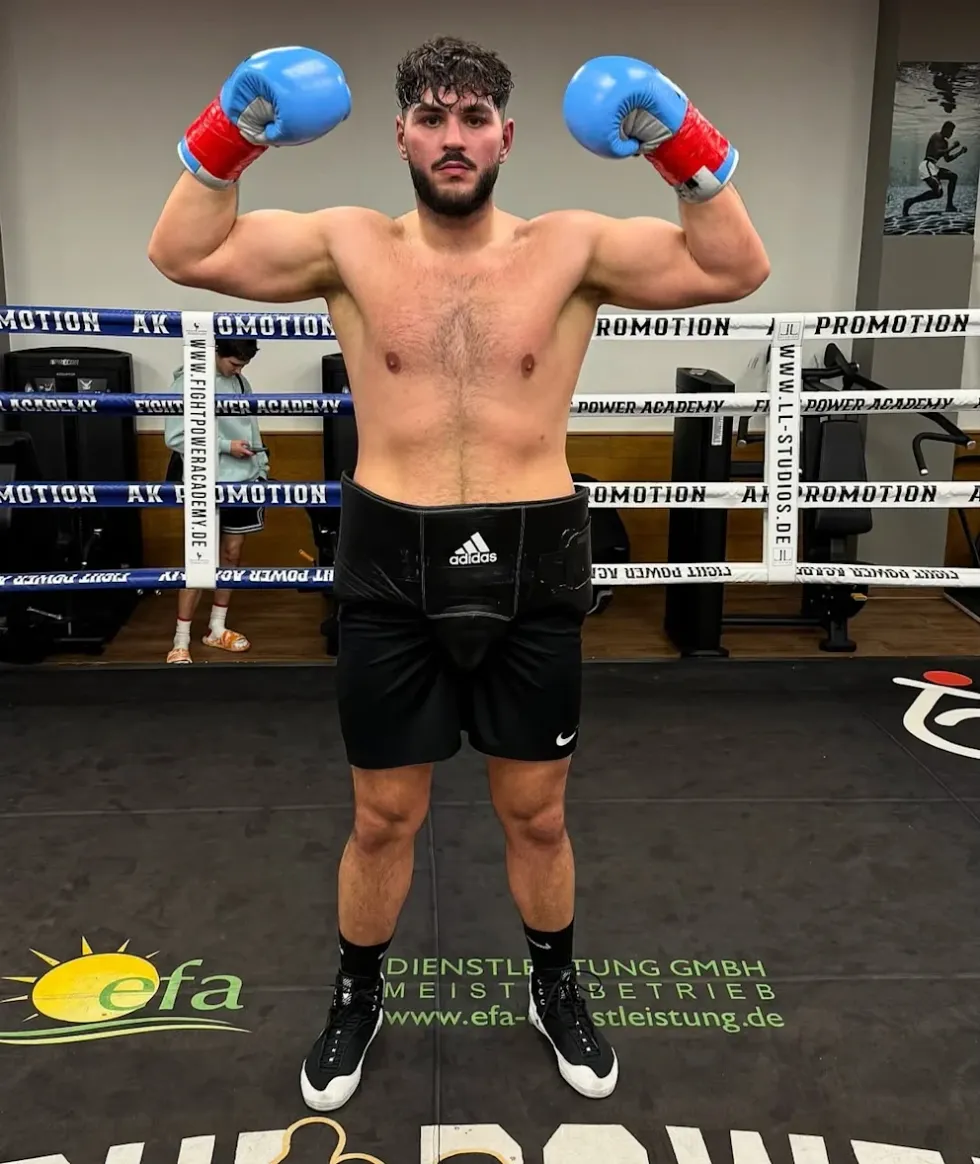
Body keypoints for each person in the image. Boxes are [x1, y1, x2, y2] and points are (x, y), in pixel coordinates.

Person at [148, 38, 769, 1107]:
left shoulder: (569, 247)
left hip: (533, 566)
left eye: (473, 118)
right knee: (382, 818)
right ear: (401, 133)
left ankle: (553, 987)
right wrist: (234, 125)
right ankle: (357, 997)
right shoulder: (348, 245)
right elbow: (182, 250)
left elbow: (733, 268)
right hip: (391, 568)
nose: (452, 137)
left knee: (537, 815)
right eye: (432, 118)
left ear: (505, 136)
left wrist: (677, 137)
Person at [163, 337, 269, 663]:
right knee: (199, 558)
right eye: (234, 363)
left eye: (243, 365)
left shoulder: (241, 382)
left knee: (232, 553)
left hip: (243, 479)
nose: (238, 370)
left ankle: (216, 628)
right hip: (204, 480)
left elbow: (251, 427)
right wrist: (226, 446)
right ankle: (180, 640)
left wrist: (262, 468)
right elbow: (176, 436)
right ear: (218, 353)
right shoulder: (190, 381)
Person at [902, 120, 968, 217]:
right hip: (926, 165)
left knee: (952, 177)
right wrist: (953, 147)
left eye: (952, 132)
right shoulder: (936, 136)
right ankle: (910, 201)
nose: (951, 134)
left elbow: (947, 159)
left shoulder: (945, 143)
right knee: (937, 192)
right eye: (950, 131)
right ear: (945, 129)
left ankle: (949, 205)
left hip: (933, 166)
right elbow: (937, 152)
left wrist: (960, 152)